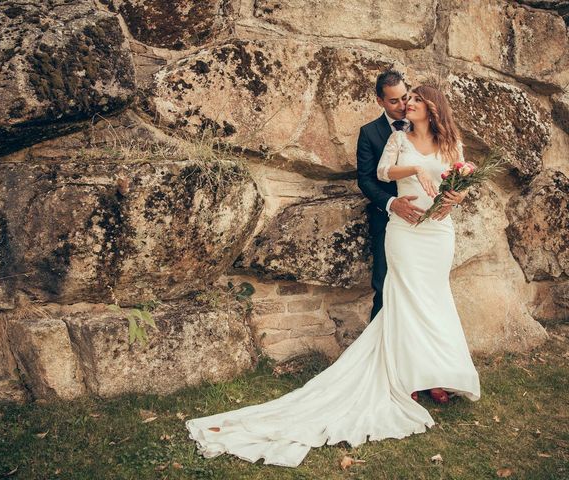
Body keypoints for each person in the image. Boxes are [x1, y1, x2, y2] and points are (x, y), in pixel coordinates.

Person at [184, 83, 480, 468]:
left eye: (416, 100)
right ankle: (404, 378)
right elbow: (381, 171)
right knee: (404, 299)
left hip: (439, 232)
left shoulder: (451, 144)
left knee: (435, 299)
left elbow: (461, 182)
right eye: (406, 100)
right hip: (405, 231)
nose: (408, 104)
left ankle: (436, 375)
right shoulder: (397, 136)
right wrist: (418, 168)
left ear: (433, 107)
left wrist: (456, 197)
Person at [356, 70, 454, 321]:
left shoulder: (437, 132)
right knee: (385, 287)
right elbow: (366, 179)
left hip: (431, 223)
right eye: (394, 101)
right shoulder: (370, 133)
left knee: (428, 289)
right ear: (380, 101)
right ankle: (384, 350)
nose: (404, 105)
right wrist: (392, 204)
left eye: (406, 97)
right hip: (390, 219)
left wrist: (456, 197)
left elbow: (453, 173)